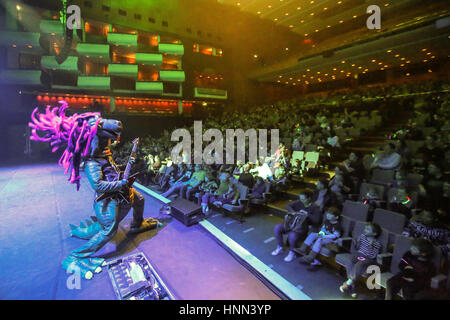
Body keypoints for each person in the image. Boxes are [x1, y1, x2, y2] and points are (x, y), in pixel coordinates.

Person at [272, 190, 322, 262]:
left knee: (292, 236)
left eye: (303, 199)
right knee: (277, 228)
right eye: (300, 198)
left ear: (309, 198)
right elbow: (288, 206)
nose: (301, 200)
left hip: (303, 227)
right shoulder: (299, 202)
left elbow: (317, 220)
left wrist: (307, 214)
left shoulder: (315, 207)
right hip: (292, 223)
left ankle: (292, 252)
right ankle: (280, 247)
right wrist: (294, 212)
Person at [339, 222, 383, 298]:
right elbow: (356, 248)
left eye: (368, 229)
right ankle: (352, 286)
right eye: (365, 228)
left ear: (374, 234)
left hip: (367, 258)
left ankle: (348, 284)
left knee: (359, 264)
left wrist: (370, 246)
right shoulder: (362, 237)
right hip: (359, 255)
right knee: (350, 260)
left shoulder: (376, 243)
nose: (365, 230)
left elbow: (373, 256)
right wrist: (356, 242)